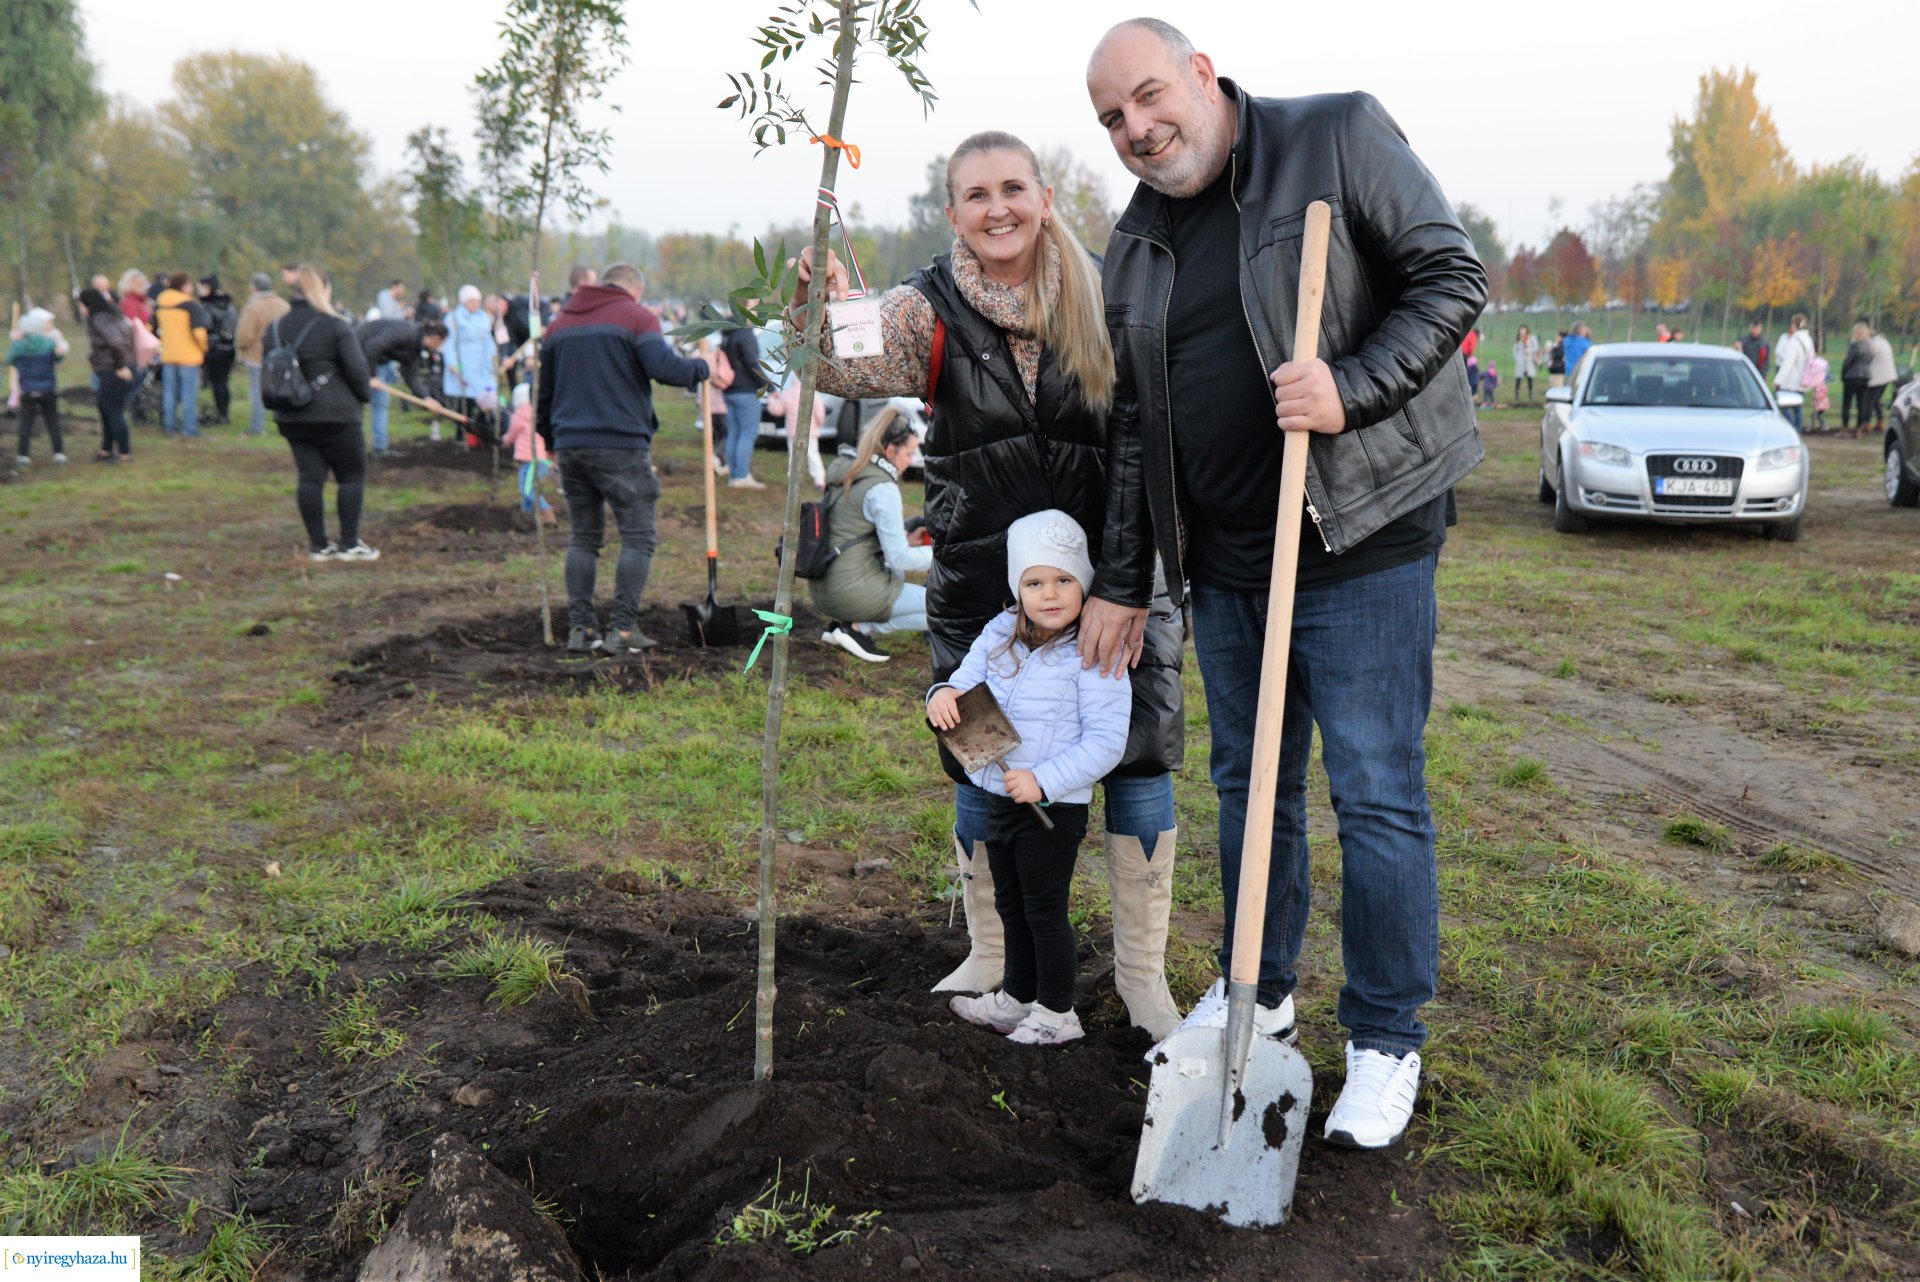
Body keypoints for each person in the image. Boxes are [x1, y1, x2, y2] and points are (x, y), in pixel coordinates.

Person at [1083, 18, 1487, 1149]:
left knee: (1374, 790)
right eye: (1111, 117)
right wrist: (1124, 576)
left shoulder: (1334, 137)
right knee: (1249, 787)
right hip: (1226, 563)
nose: (1136, 128)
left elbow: (1452, 277)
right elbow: (1135, 427)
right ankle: (1257, 991)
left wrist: (1350, 387)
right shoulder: (1136, 245)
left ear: (1201, 73)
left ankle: (1385, 1041)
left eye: (1149, 96)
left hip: (1360, 539)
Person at [796, 128, 1191, 1040]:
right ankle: (994, 954)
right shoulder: (925, 309)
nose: (997, 207)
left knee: (1136, 753)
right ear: (953, 213)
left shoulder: (1109, 294)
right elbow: (837, 365)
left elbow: (1151, 440)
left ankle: (1141, 977)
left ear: (1045, 198)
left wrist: (1126, 581)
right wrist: (822, 302)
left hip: (1118, 576)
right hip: (986, 585)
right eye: (976, 194)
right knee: (981, 752)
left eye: (1013, 188)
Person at [932, 510, 1130, 1047]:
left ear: (1084, 583)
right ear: (1017, 588)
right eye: (1034, 582)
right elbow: (963, 682)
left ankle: (1058, 1012)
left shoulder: (1096, 650)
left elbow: (1107, 741)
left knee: (1044, 909)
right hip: (1000, 796)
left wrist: (1043, 780)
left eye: (1064, 579)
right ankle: (1016, 997)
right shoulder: (1000, 632)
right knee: (1011, 903)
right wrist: (942, 696)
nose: (1050, 594)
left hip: (1053, 807)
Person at [536, 261, 708, 655]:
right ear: (635, 289)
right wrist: (701, 368)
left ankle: (581, 629)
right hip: (620, 444)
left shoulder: (559, 325)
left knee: (583, 537)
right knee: (638, 535)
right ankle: (623, 630)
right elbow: (664, 369)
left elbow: (544, 391)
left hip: (570, 444)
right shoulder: (636, 316)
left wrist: (549, 439)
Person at [271, 266, 376, 561]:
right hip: (336, 414)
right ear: (322, 290)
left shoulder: (276, 328)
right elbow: (357, 371)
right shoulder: (335, 326)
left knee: (309, 478)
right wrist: (365, 396)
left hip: (292, 415)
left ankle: (319, 546)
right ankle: (350, 543)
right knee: (351, 477)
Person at [815, 408, 933, 659]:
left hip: (825, 586)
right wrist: (941, 556)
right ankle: (859, 628)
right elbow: (898, 558)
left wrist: (906, 539)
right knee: (948, 607)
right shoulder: (882, 488)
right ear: (890, 451)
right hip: (852, 591)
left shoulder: (850, 472)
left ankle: (848, 627)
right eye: (909, 453)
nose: (911, 460)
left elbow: (852, 530)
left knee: (910, 587)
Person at [358, 316, 449, 453]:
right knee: (359, 402)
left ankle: (380, 448)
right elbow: (373, 346)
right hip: (359, 351)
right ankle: (355, 448)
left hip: (378, 360)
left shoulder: (415, 348)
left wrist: (426, 398)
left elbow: (411, 378)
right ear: (435, 338)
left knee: (381, 402)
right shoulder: (406, 332)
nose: (440, 347)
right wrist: (372, 376)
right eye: (441, 343)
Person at [78, 288, 138, 462]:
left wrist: (120, 367)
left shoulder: (100, 319)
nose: (80, 308)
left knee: (113, 410)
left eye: (81, 304)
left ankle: (125, 453)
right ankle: (106, 449)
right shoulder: (112, 315)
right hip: (117, 367)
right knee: (105, 407)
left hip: (115, 369)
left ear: (88, 304)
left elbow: (116, 342)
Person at [8, 308, 69, 467]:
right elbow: (59, 357)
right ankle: (59, 454)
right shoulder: (48, 343)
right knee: (52, 422)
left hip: (28, 391)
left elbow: (10, 359)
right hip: (49, 389)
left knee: (26, 423)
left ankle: (23, 456)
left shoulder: (18, 346)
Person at [235, 273, 291, 438]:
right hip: (281, 356)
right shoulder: (284, 305)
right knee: (281, 390)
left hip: (257, 356)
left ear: (254, 287)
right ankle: (285, 424)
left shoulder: (253, 307)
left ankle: (257, 427)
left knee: (258, 392)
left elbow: (245, 335)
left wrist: (240, 347)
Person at [154, 272, 209, 438]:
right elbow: (199, 333)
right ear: (183, 286)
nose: (192, 288)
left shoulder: (160, 303)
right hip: (189, 356)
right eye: (190, 284)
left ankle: (170, 426)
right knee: (188, 393)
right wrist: (204, 348)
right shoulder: (191, 305)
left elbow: (151, 328)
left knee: (169, 392)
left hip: (168, 354)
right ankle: (189, 429)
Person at [719, 319, 769, 489]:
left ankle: (734, 475)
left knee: (734, 433)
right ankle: (741, 476)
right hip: (746, 390)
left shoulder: (727, 332)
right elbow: (752, 363)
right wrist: (768, 386)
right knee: (748, 433)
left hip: (729, 390)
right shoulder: (745, 333)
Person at [443, 285, 497, 430]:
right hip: (464, 363)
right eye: (471, 301)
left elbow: (488, 339)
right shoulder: (454, 317)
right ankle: (462, 432)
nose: (475, 304)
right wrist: (453, 363)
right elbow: (449, 343)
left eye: (477, 301)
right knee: (465, 400)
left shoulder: (483, 317)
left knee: (485, 397)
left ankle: (482, 430)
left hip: (482, 364)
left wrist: (493, 357)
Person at [500, 382, 555, 524]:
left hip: (532, 459)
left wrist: (504, 441)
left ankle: (547, 511)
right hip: (540, 458)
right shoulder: (539, 413)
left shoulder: (518, 415)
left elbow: (511, 435)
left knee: (527, 489)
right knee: (525, 487)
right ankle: (526, 516)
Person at [197, 275, 237, 426]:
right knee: (223, 383)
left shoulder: (205, 305)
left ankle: (221, 414)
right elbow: (233, 324)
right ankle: (224, 413)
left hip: (213, 349)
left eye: (201, 287)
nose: (198, 290)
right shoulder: (228, 304)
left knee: (216, 383)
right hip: (228, 349)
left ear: (208, 288)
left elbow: (205, 326)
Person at [1773, 313, 1813, 430]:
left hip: (1791, 381)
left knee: (1783, 405)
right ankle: (1797, 432)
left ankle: (1792, 429)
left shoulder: (1794, 341)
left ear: (1795, 325)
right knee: (1798, 409)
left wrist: (1778, 380)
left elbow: (1787, 363)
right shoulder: (1808, 340)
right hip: (1803, 380)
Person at [1841, 320, 1875, 438]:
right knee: (1861, 404)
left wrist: (1843, 374)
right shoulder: (1869, 346)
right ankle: (1859, 429)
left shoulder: (1855, 345)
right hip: (1865, 377)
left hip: (1852, 376)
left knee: (1847, 403)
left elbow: (1848, 362)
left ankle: (1845, 428)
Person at [1867, 324, 1896, 433]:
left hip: (1878, 377)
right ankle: (1880, 422)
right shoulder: (1883, 341)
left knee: (1869, 401)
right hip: (1887, 376)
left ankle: (1866, 424)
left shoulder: (1873, 344)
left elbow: (1867, 358)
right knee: (1876, 400)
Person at [1511, 326, 1539, 406]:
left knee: (1529, 379)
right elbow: (1515, 350)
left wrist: (1528, 351)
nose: (1522, 332)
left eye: (1523, 331)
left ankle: (1530, 394)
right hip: (1520, 363)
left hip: (1529, 362)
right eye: (1521, 331)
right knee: (1518, 379)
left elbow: (1536, 348)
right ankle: (1516, 395)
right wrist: (1517, 359)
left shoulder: (1532, 338)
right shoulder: (1518, 341)